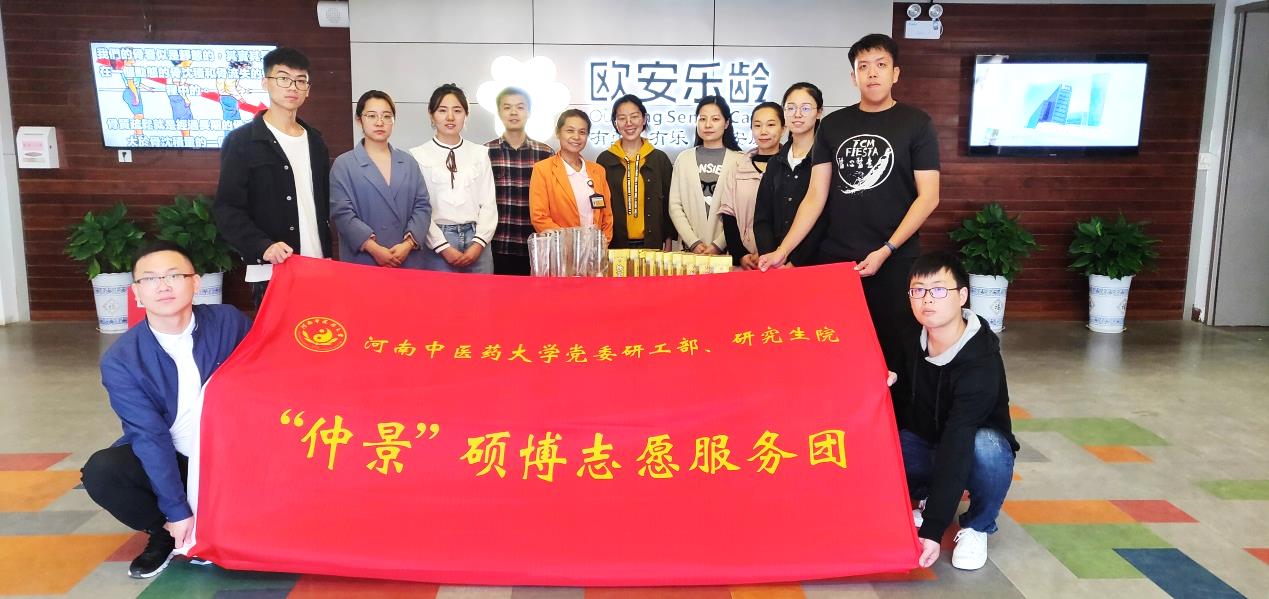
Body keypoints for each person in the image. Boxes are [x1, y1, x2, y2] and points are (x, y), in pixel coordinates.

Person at [759, 34, 940, 381]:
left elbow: (929, 196)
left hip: (895, 259)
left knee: (894, 352)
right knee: (834, 349)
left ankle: (894, 416)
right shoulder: (834, 125)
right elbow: (816, 194)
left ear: (895, 73)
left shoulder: (917, 123)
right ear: (853, 76)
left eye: (881, 65)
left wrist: (887, 250)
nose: (872, 73)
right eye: (863, 66)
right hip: (838, 260)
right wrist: (783, 250)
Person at [80, 242, 251, 579]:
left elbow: (269, 372)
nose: (163, 286)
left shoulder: (229, 322)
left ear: (195, 282)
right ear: (136, 293)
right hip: (178, 460)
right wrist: (175, 510)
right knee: (102, 471)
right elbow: (150, 437)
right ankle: (166, 531)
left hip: (234, 458)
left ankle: (222, 521)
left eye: (174, 275)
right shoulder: (122, 360)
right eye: (150, 279)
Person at [898, 251, 1017, 571]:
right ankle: (928, 495)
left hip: (968, 442)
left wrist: (933, 530)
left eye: (939, 290)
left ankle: (978, 525)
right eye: (918, 290)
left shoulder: (981, 359)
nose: (927, 299)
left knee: (988, 449)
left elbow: (958, 438)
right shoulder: (910, 336)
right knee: (883, 437)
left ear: (962, 296)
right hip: (927, 439)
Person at [213, 47, 331, 308]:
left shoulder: (316, 141)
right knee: (278, 334)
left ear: (308, 89)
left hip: (318, 264)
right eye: (283, 78)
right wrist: (262, 245)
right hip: (272, 270)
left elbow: (323, 202)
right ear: (265, 82)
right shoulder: (242, 141)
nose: (292, 87)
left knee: (320, 331)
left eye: (300, 81)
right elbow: (227, 208)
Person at [330, 90, 432, 269]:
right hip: (364, 259)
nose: (379, 122)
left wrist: (408, 244)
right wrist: (374, 249)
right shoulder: (344, 164)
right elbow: (342, 214)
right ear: (359, 120)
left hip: (407, 258)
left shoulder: (408, 162)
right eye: (371, 116)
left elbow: (422, 206)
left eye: (386, 116)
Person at [410, 84, 498, 274]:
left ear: (466, 114)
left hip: (478, 241)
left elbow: (488, 203)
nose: (450, 117)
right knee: (442, 294)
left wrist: (479, 243)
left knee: (482, 294)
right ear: (431, 115)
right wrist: (442, 246)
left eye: (457, 110)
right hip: (437, 242)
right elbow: (419, 208)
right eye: (442, 110)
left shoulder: (479, 153)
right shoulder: (418, 155)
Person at [753, 82, 829, 269]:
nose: (797, 114)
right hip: (774, 265)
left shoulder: (826, 161)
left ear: (819, 112)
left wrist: (795, 261)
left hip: (813, 264)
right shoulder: (775, 162)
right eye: (791, 108)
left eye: (805, 108)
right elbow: (762, 218)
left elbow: (825, 218)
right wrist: (771, 257)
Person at [485, 87, 555, 275]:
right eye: (507, 107)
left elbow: (553, 202)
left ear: (529, 112)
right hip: (498, 245)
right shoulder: (485, 153)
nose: (514, 112)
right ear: (499, 112)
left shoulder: (545, 153)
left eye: (520, 107)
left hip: (537, 246)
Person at [596, 94, 674, 250]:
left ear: (644, 119)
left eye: (634, 116)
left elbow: (669, 203)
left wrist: (669, 236)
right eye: (622, 118)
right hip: (614, 244)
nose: (629, 123)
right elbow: (600, 207)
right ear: (615, 123)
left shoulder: (659, 159)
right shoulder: (605, 160)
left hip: (652, 243)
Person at [669, 95, 744, 255]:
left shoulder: (740, 160)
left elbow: (743, 209)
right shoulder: (684, 159)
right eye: (702, 119)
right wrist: (693, 242)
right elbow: (675, 206)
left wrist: (719, 244)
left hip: (728, 252)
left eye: (715, 119)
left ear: (727, 123)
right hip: (690, 253)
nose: (708, 125)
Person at [528, 109, 614, 242]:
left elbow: (607, 216)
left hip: (595, 249)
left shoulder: (598, 170)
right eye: (570, 130)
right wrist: (573, 243)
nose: (576, 136)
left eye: (582, 132)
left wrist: (603, 243)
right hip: (560, 248)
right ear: (558, 132)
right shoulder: (542, 169)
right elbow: (540, 217)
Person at [716, 101, 783, 269]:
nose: (763, 131)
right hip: (745, 262)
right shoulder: (738, 168)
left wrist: (770, 252)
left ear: (783, 128)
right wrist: (741, 254)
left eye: (771, 125)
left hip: (782, 260)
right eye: (757, 125)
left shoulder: (792, 167)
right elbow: (728, 215)